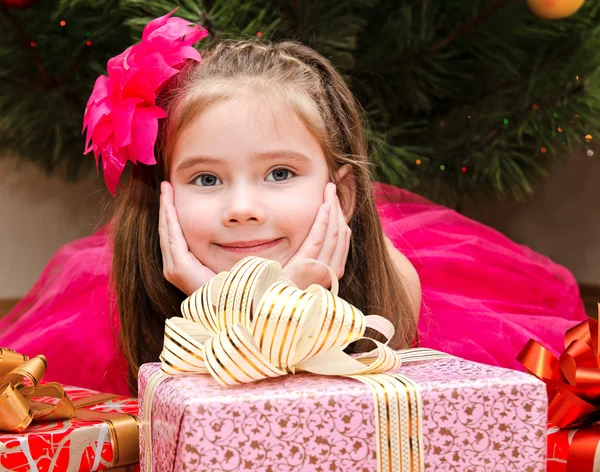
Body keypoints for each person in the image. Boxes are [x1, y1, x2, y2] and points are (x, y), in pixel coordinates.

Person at [0, 11, 587, 397]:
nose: (243, 208)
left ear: (344, 194)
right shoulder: (122, 301)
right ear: (161, 200)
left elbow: (316, 429)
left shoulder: (392, 283)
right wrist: (219, 308)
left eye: (279, 173)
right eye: (206, 179)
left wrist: (272, 308)